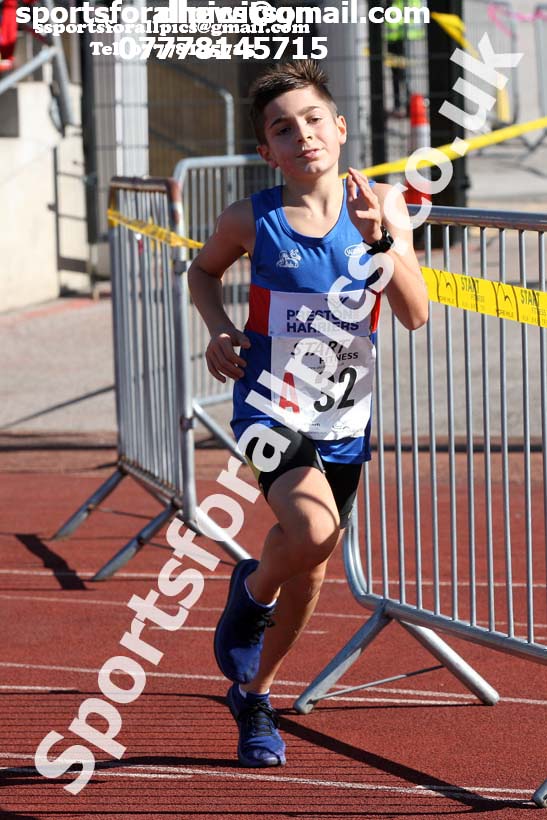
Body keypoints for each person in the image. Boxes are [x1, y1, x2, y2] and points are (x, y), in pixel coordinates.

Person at [187, 60, 428, 768]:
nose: (303, 137)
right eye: (282, 129)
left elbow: (413, 315)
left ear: (341, 127)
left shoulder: (386, 206)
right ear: (267, 151)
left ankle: (254, 695)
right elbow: (202, 272)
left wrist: (380, 243)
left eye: (313, 120)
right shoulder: (250, 217)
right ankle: (250, 589)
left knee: (315, 566)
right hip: (269, 406)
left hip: (344, 418)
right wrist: (218, 327)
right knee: (312, 530)